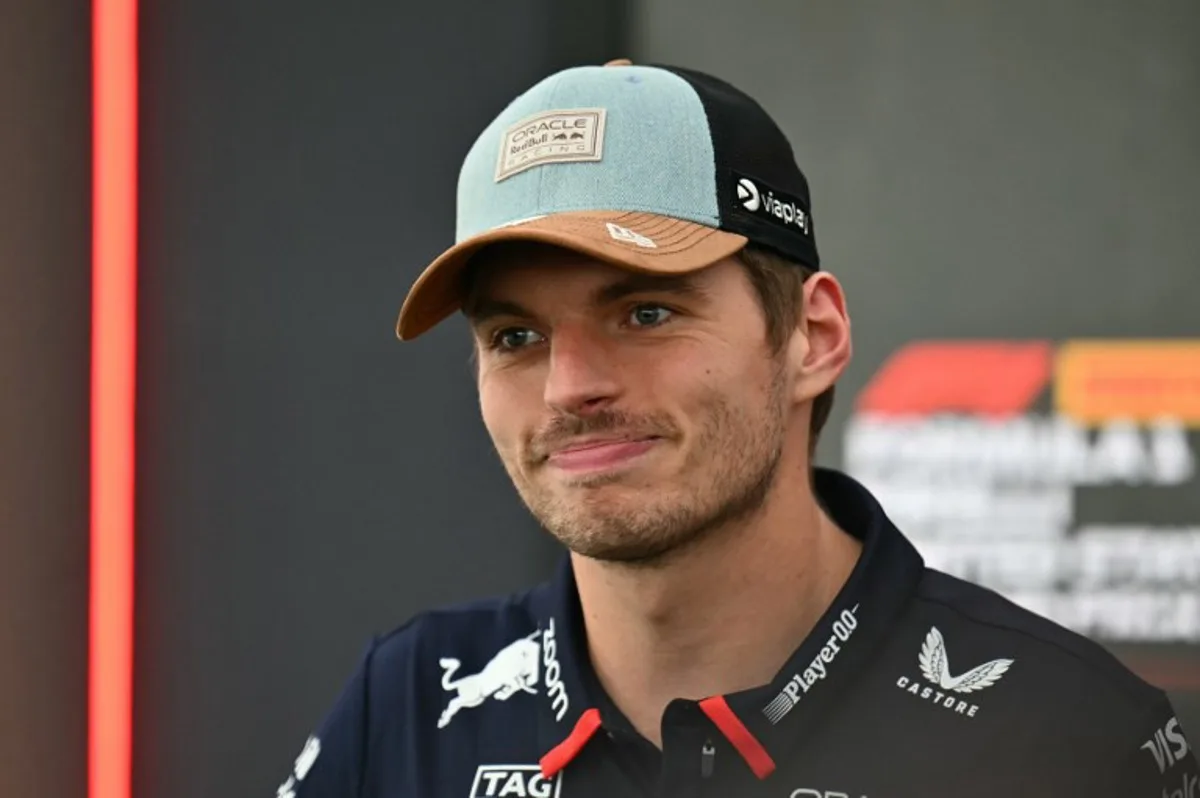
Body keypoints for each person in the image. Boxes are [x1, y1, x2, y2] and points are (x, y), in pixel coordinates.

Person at [276, 60, 1197, 798]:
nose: (570, 386)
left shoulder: (1062, 734)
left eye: (645, 313)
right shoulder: (408, 701)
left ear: (813, 338)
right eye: (514, 336)